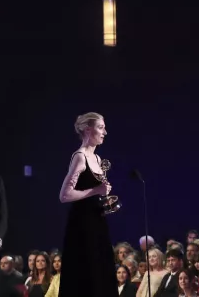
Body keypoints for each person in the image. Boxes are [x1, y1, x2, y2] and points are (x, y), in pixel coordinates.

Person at [57, 112, 117, 297]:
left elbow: (95, 191)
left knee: (101, 270)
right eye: (101, 127)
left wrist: (104, 196)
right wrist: (95, 191)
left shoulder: (98, 159)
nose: (105, 132)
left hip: (97, 221)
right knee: (86, 273)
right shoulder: (79, 157)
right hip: (82, 226)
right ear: (88, 130)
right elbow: (64, 195)